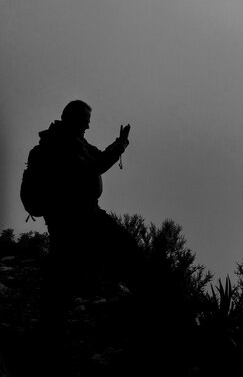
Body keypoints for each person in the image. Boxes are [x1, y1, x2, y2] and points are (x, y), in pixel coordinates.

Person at [36, 100, 141, 349]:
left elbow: (98, 157)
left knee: (63, 279)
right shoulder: (63, 144)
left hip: (78, 217)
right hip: (76, 218)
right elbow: (96, 166)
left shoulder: (75, 141)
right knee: (65, 278)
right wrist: (121, 146)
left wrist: (119, 143)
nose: (88, 124)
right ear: (72, 118)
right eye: (85, 119)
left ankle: (50, 340)